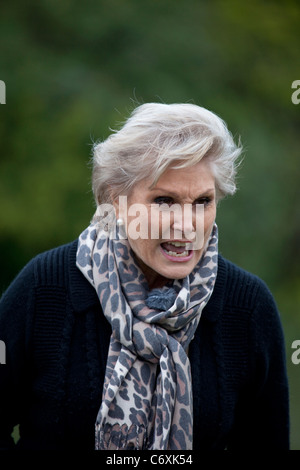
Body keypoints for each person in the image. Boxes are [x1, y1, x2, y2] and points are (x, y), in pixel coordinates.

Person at [0, 103, 289, 451]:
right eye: (164, 200)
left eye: (203, 201)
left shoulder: (247, 306)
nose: (187, 226)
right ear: (115, 201)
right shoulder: (45, 288)